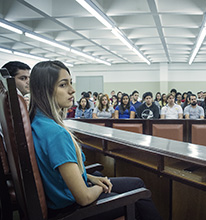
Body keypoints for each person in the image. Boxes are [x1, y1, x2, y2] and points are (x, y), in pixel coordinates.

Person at [29, 60, 161, 220]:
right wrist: (99, 187)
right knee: (139, 195)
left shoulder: (37, 123)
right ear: (44, 90)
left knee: (135, 184)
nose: (72, 90)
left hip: (58, 202)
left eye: (70, 83)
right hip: (70, 210)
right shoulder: (56, 134)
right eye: (63, 85)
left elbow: (58, 172)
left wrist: (90, 178)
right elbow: (84, 198)